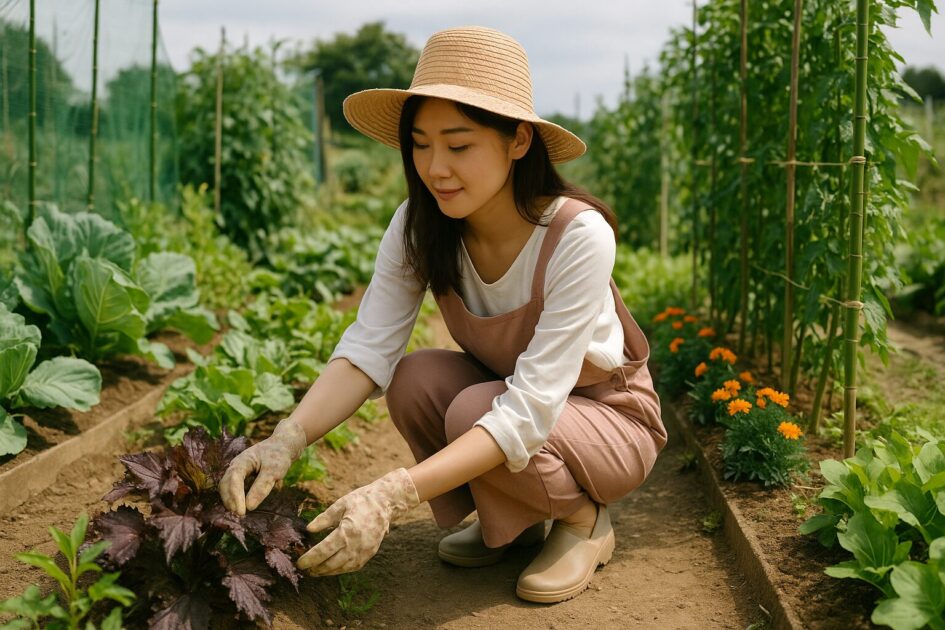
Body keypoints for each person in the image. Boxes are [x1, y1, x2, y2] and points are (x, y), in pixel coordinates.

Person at [219, 25, 668, 604]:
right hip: (521, 409)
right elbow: (368, 348)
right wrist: (285, 440)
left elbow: (527, 409)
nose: (435, 168)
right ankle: (518, 518)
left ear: (519, 141)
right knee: (414, 380)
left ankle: (583, 521)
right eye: (421, 144)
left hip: (610, 422)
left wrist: (390, 494)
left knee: (476, 408)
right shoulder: (419, 224)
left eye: (459, 146)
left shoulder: (577, 235)